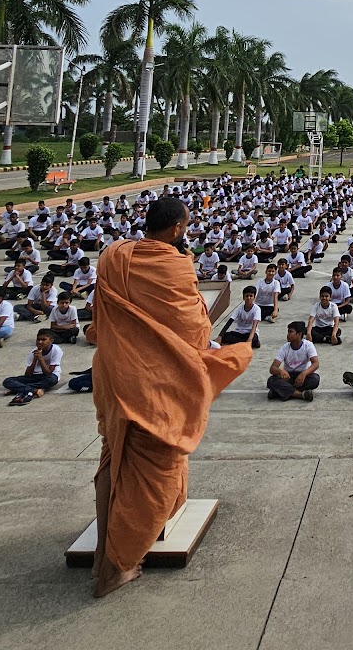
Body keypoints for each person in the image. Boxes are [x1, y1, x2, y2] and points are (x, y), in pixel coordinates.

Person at [89, 196, 251, 597]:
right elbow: (195, 331)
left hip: (114, 372)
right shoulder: (175, 266)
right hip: (153, 385)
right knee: (154, 466)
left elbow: (99, 315)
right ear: (178, 229)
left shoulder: (115, 255)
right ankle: (116, 566)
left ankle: (100, 551)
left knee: (113, 452)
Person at [4, 330, 63, 405]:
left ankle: (20, 389)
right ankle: (34, 390)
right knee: (7, 381)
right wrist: (34, 360)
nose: (40, 342)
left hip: (48, 376)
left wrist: (41, 359)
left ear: (51, 341)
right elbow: (28, 375)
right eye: (38, 339)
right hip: (35, 377)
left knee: (52, 380)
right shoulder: (33, 352)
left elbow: (48, 373)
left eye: (44, 339)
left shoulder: (56, 350)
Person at [267, 321, 320, 402]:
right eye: (288, 332)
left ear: (299, 334)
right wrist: (280, 371)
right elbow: (273, 368)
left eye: (290, 332)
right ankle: (300, 394)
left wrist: (304, 374)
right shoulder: (285, 348)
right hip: (288, 377)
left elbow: (315, 363)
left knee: (315, 379)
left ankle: (280, 392)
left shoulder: (308, 345)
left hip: (303, 377)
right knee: (271, 381)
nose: (287, 334)